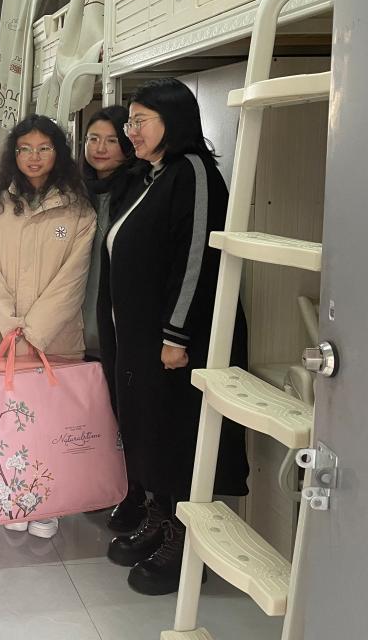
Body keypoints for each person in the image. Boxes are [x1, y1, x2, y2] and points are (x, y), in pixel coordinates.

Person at [98, 78, 250, 596]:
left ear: (173, 121)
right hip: (144, 339)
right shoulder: (154, 175)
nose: (131, 132)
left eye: (140, 121)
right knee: (150, 431)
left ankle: (185, 543)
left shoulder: (194, 173)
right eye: (130, 121)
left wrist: (176, 335)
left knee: (177, 437)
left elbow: (197, 259)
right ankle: (160, 520)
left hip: (177, 343)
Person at [0, 114, 95, 539]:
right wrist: (8, 325)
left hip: (54, 341)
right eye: (24, 149)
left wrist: (33, 331)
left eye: (44, 148)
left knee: (49, 427)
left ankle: (46, 503)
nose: (33, 157)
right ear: (13, 154)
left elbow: (72, 279)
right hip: (0, 339)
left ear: (58, 152)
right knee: (5, 425)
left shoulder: (77, 209)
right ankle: (11, 496)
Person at [78, 106, 148, 534]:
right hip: (80, 316)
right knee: (91, 415)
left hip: (118, 320)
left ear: (126, 145)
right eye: (93, 139)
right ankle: (100, 485)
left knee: (126, 412)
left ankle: (134, 493)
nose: (100, 148)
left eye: (110, 140)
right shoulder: (78, 191)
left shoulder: (139, 189)